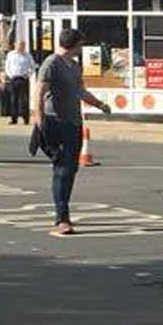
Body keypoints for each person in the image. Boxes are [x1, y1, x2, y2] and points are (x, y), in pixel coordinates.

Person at [33, 28, 111, 235]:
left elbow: (80, 91)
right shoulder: (51, 64)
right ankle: (61, 219)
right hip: (54, 122)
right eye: (81, 44)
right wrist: (40, 124)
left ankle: (63, 211)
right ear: (74, 44)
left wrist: (99, 104)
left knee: (70, 170)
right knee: (63, 169)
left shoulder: (75, 66)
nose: (82, 48)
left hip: (74, 123)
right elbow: (39, 95)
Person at [4, 41, 37, 125]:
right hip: (14, 78)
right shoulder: (11, 55)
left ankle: (26, 119)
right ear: (15, 45)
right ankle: (14, 119)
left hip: (23, 79)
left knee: (24, 99)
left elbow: (33, 66)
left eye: (23, 45)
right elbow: (7, 66)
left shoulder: (28, 55)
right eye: (19, 45)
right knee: (13, 99)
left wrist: (28, 75)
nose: (21, 47)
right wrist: (10, 75)